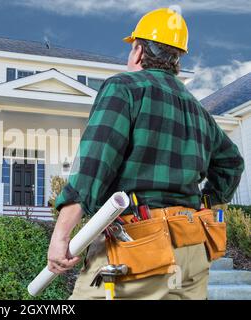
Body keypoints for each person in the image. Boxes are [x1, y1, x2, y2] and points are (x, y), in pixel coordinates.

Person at [47, 8, 244, 300]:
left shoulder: (123, 89)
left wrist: (62, 233)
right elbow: (232, 164)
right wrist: (205, 202)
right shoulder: (198, 110)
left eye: (131, 49)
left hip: (137, 248)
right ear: (177, 60)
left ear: (138, 52)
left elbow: (94, 167)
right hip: (191, 248)